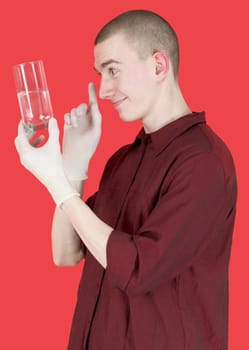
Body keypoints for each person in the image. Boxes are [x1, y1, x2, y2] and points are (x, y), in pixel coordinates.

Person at [15, 9, 237, 350]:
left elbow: (137, 269)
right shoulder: (123, 160)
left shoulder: (202, 162)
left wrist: (55, 179)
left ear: (159, 66)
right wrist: (74, 166)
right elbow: (66, 252)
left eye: (113, 70)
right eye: (100, 74)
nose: (103, 90)